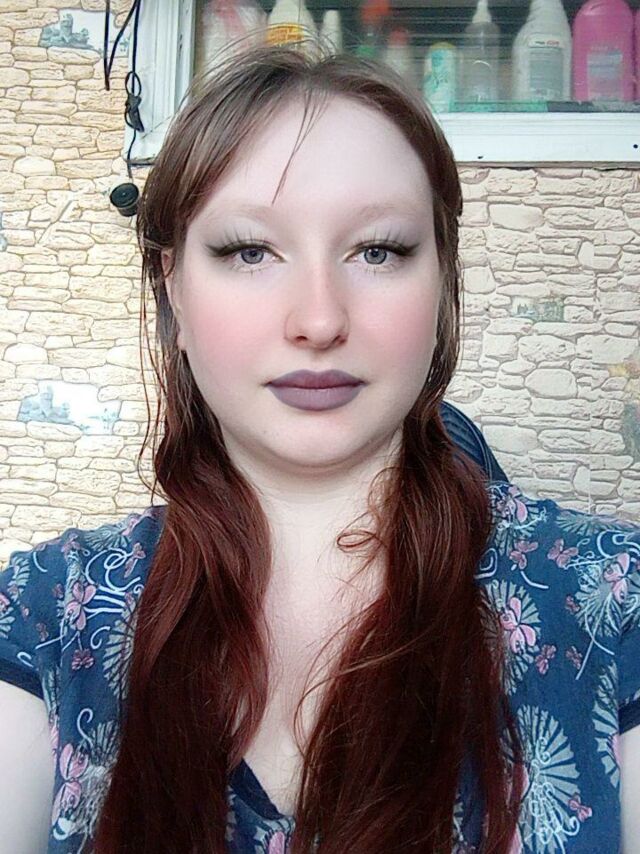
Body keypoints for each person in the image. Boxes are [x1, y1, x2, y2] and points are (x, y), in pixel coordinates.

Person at [0, 39, 638, 854]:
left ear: (442, 283)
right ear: (172, 290)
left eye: (378, 251)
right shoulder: (45, 618)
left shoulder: (613, 607)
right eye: (249, 251)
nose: (319, 319)